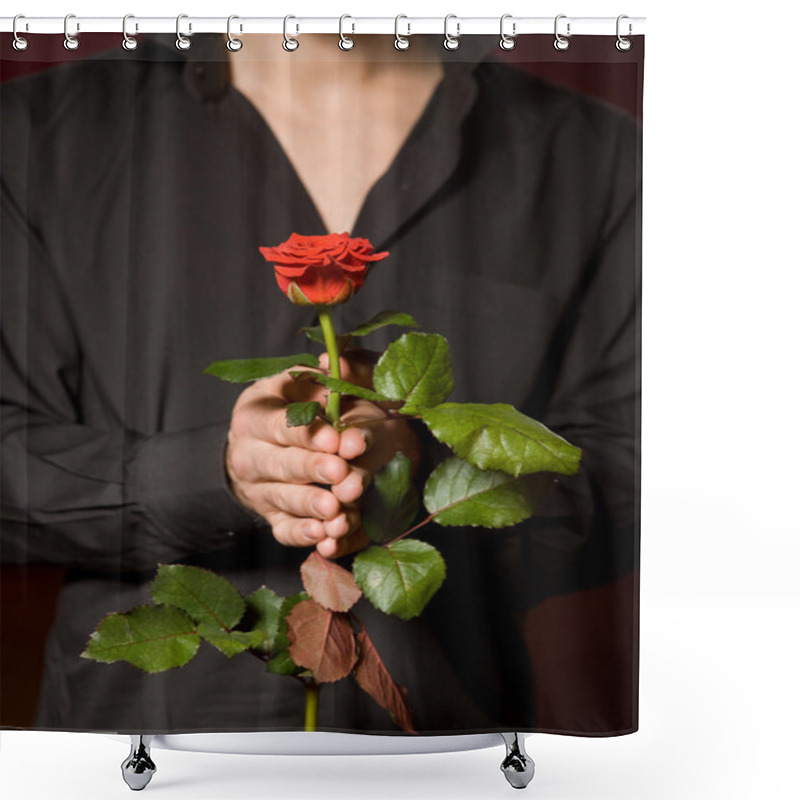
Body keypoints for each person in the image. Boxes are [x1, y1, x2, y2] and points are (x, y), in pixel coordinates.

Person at [0, 31, 641, 733]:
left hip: (447, 752)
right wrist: (212, 475)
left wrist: (422, 478)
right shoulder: (36, 134)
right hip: (139, 757)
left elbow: (637, 468)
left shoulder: (595, 157)